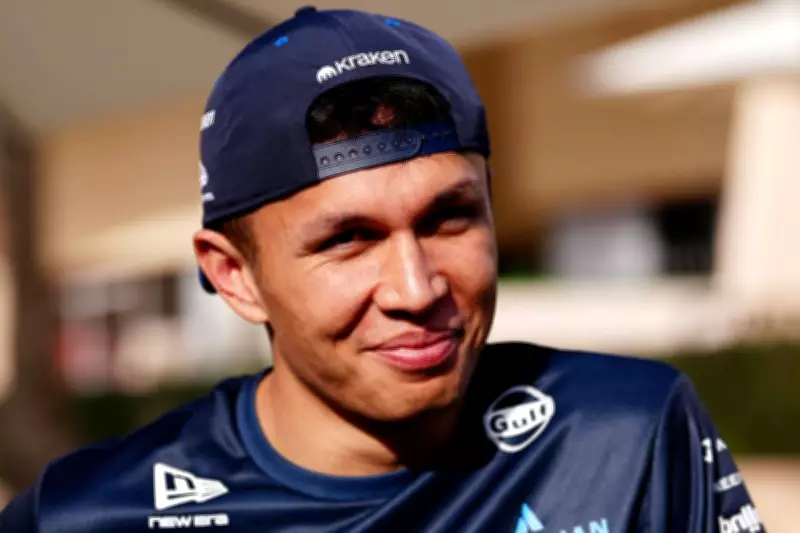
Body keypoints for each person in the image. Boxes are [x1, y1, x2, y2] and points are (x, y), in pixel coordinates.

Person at [0, 6, 763, 533]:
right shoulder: (88, 516)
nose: (416, 288)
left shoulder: (625, 434)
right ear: (234, 275)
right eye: (348, 239)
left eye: (448, 217)